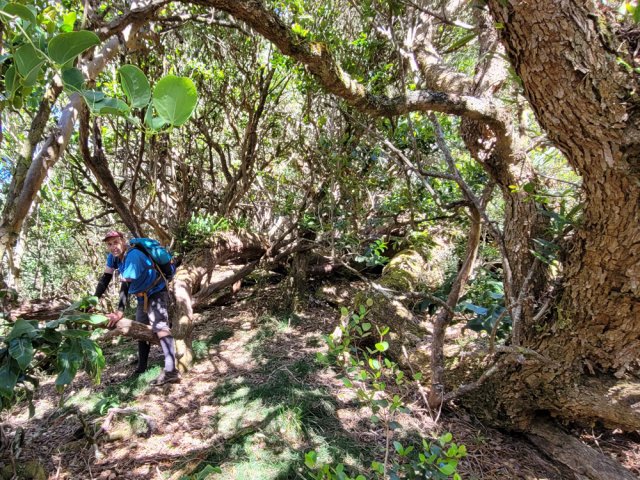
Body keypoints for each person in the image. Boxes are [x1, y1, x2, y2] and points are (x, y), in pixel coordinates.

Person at [97, 230, 180, 385]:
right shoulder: (113, 257)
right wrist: (93, 299)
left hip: (156, 292)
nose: (113, 247)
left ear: (123, 240)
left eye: (116, 242)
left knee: (160, 326)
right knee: (140, 329)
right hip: (142, 297)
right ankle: (142, 368)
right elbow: (106, 278)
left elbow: (125, 285)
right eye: (109, 244)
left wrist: (119, 312)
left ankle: (171, 371)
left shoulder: (133, 256)